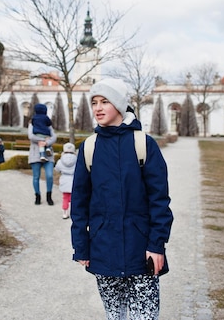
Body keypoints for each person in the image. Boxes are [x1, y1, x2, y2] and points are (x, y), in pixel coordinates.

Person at [71, 78, 174, 320]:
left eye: (104, 101)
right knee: (114, 317)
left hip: (142, 253)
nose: (97, 108)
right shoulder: (89, 148)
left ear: (118, 104)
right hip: (103, 251)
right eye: (94, 102)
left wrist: (156, 245)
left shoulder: (144, 144)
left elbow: (159, 201)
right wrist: (81, 247)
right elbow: (79, 204)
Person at [28, 105, 58, 205]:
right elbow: (30, 136)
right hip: (35, 153)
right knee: (36, 176)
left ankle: (49, 195)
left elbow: (54, 136)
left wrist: (46, 143)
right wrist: (41, 140)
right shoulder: (32, 122)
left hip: (48, 154)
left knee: (49, 175)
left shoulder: (47, 123)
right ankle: (37, 196)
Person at [54, 142, 77, 219]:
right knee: (74, 198)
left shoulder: (60, 161)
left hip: (64, 179)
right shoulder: (77, 160)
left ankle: (65, 212)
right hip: (74, 180)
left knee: (65, 198)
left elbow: (57, 169)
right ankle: (74, 212)